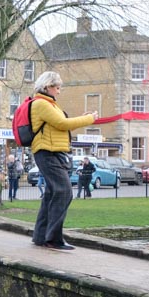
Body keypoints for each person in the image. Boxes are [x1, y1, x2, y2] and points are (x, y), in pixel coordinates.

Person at [30, 71, 97, 250]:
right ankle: (53, 239)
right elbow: (63, 124)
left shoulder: (49, 104)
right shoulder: (41, 104)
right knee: (64, 192)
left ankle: (41, 236)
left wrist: (80, 117)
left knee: (52, 193)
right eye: (57, 87)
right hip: (47, 153)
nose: (59, 91)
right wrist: (89, 119)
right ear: (47, 87)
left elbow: (60, 124)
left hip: (53, 152)